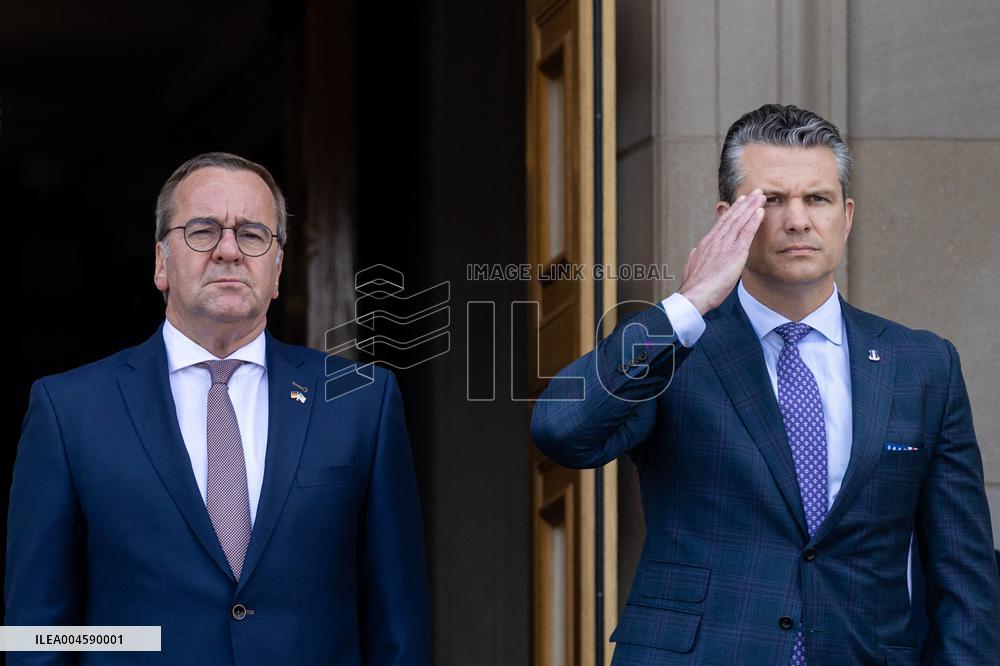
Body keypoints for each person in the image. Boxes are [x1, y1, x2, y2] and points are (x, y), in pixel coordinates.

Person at [531, 104, 999, 664]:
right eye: (771, 201)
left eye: (817, 199)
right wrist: (688, 304)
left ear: (846, 216)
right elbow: (562, 429)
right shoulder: (676, 346)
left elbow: (965, 577)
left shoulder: (923, 364)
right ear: (728, 218)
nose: (797, 221)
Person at [5, 153, 430, 664]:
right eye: (203, 231)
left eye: (253, 234)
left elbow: (398, 628)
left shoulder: (361, 400)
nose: (229, 250)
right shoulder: (69, 410)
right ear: (162, 262)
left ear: (277, 270)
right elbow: (35, 633)